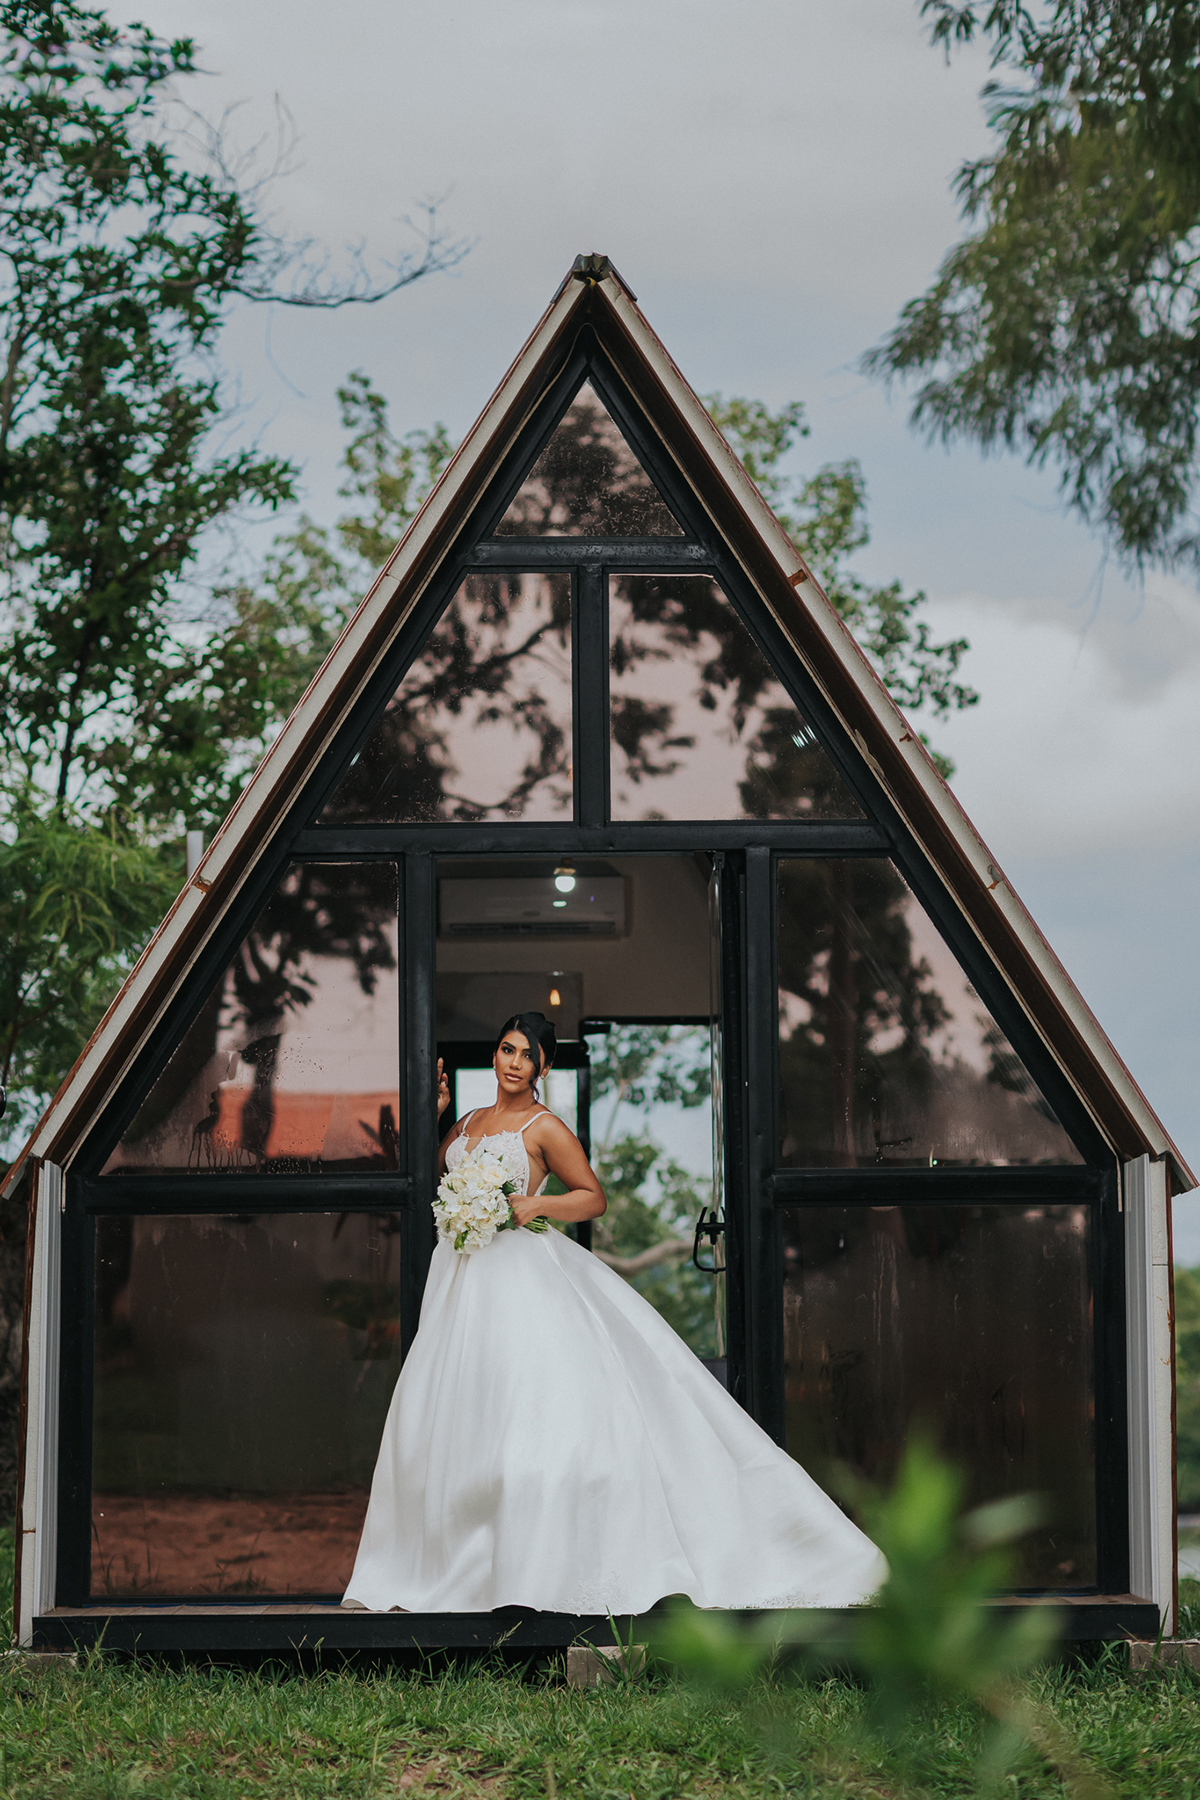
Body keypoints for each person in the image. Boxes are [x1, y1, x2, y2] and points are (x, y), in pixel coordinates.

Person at [344, 1011, 886, 1614]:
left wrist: (534, 1207)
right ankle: (455, 1565)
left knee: (526, 1415)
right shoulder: (467, 1122)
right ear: (494, 1054)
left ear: (543, 1067)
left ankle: (533, 1570)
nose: (513, 1063)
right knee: (451, 1413)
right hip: (459, 1278)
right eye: (506, 1049)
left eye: (526, 1055)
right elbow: (440, 1176)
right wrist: (437, 1114)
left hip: (517, 1279)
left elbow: (592, 1198)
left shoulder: (545, 1127)